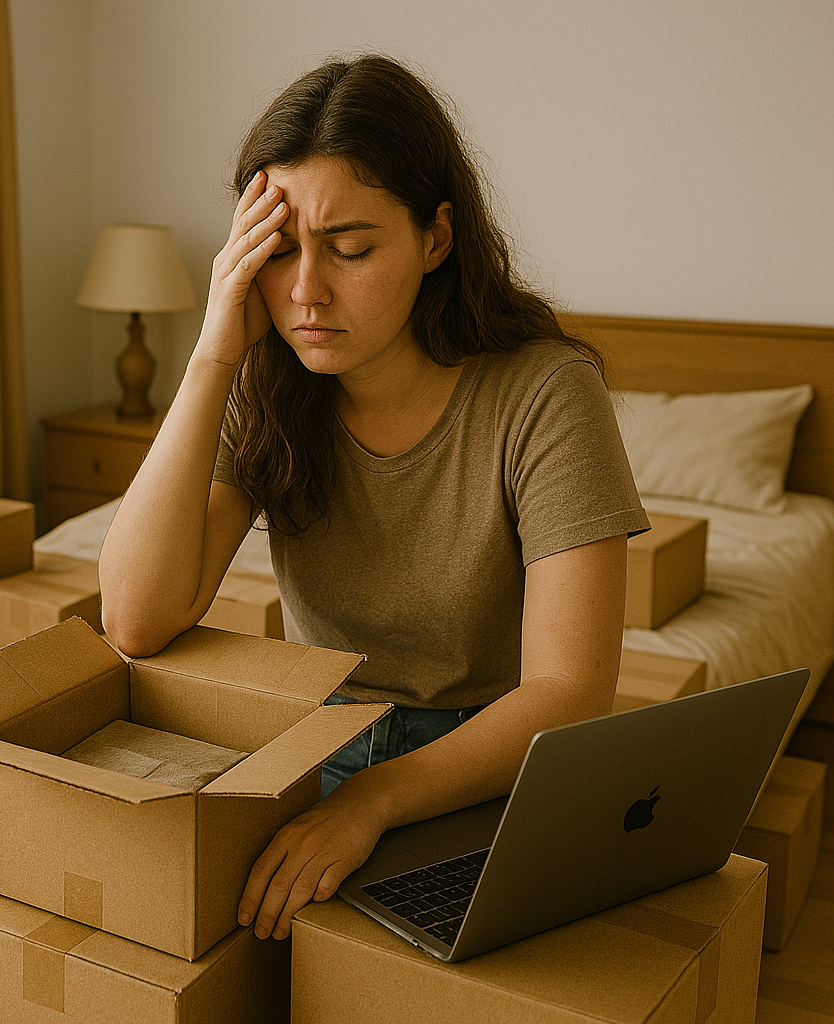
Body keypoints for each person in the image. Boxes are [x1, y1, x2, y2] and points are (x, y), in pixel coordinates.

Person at [98, 53, 649, 944]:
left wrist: (371, 801)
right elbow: (134, 618)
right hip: (315, 738)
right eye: (279, 250)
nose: (306, 293)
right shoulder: (268, 383)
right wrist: (211, 356)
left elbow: (570, 691)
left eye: (351, 250)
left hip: (489, 757)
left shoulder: (546, 393)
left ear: (436, 239)